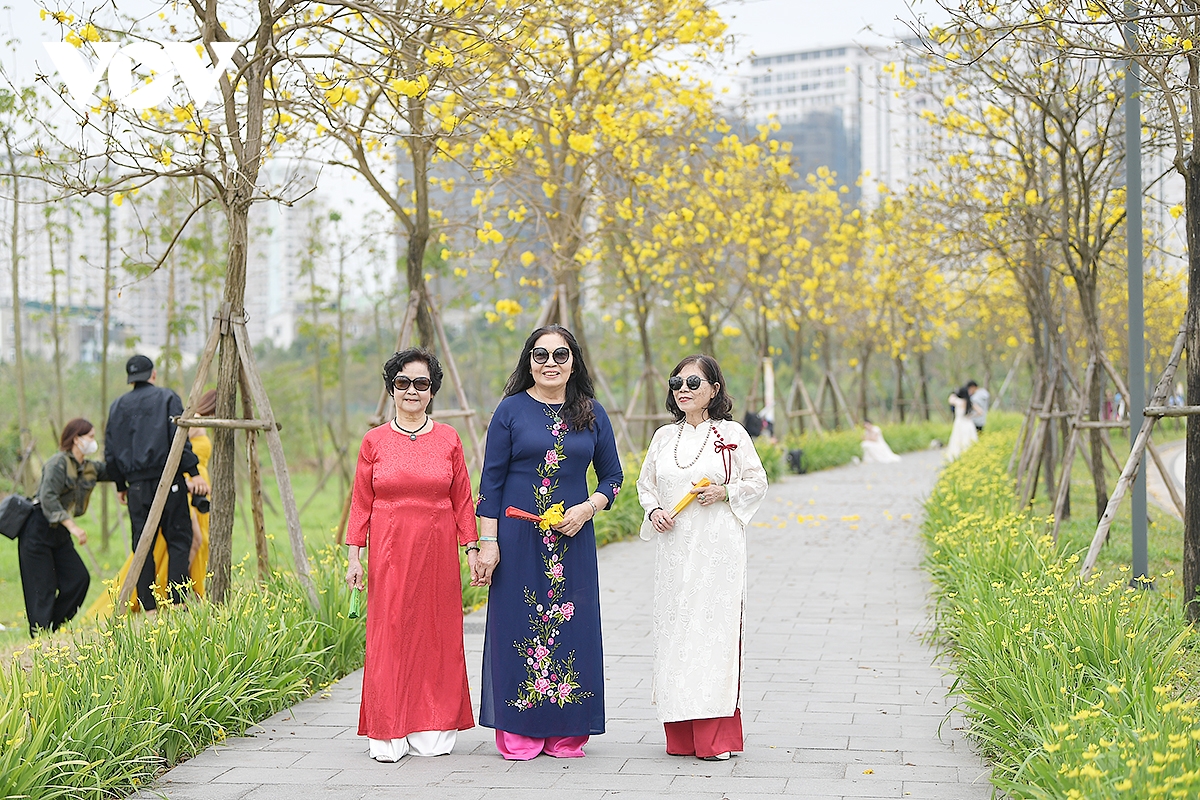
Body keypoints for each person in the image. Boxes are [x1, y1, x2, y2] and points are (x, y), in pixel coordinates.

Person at [472, 325, 624, 761]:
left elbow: (613, 478)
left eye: (560, 355)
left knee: (572, 628)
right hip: (517, 539)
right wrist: (488, 542)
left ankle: (566, 730)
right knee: (516, 625)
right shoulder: (510, 411)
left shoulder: (592, 413)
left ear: (574, 361)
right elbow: (490, 484)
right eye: (541, 355)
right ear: (529, 361)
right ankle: (519, 728)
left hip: (573, 542)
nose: (550, 363)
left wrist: (587, 508)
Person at [345, 348, 480, 762]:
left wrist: (471, 548)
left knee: (436, 634)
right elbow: (360, 503)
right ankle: (389, 730)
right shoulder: (374, 441)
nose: (411, 391)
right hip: (388, 551)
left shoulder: (449, 439)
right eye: (402, 382)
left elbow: (462, 500)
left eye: (421, 383)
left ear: (432, 390)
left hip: (438, 551)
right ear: (391, 388)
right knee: (390, 634)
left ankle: (432, 726)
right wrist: (354, 558)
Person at [636, 355, 768, 761]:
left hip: (717, 551)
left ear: (714, 389)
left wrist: (724, 491)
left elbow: (757, 481)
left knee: (713, 635)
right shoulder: (663, 437)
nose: (684, 389)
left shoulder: (732, 433)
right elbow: (645, 485)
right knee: (675, 634)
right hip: (674, 552)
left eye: (694, 382)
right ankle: (681, 736)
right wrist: (653, 511)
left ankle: (714, 738)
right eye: (677, 382)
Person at [104, 355, 209, 611]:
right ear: (153, 374)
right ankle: (176, 602)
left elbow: (110, 451)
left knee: (143, 545)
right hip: (169, 481)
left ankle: (149, 608)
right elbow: (179, 439)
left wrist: (121, 485)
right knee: (179, 540)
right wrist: (193, 471)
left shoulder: (117, 407)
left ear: (130, 378)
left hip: (136, 487)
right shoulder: (167, 398)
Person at [18, 419, 112, 636]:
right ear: (76, 439)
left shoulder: (88, 467)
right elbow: (48, 498)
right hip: (38, 529)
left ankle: (51, 627)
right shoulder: (57, 463)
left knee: (79, 579)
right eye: (90, 437)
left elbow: (114, 471)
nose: (93, 441)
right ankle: (41, 636)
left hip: (59, 532)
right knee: (43, 588)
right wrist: (73, 527)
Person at [945, 386, 978, 462]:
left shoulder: (959, 402)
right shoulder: (970, 403)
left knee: (958, 439)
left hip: (960, 423)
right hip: (968, 423)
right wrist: (971, 416)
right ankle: (970, 456)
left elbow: (950, 400)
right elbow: (980, 412)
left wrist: (954, 394)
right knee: (968, 440)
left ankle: (958, 456)